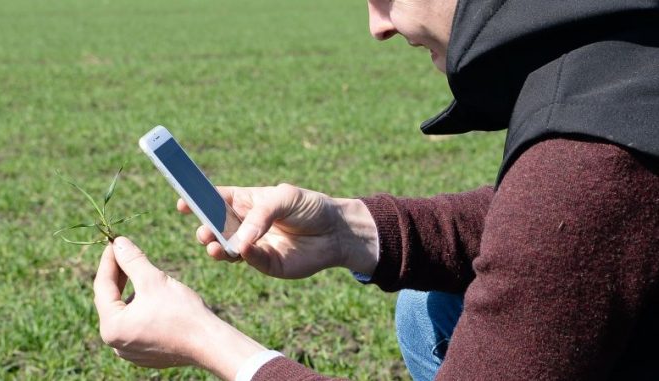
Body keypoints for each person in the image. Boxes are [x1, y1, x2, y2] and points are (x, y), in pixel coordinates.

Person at [93, 0, 659, 380]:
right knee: (430, 306)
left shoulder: (591, 155)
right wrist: (347, 229)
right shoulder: (621, 63)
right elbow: (547, 228)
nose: (377, 26)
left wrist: (206, 342)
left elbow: (573, 207)